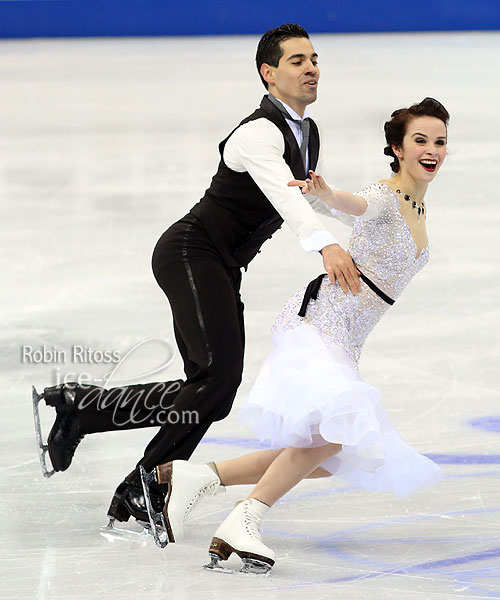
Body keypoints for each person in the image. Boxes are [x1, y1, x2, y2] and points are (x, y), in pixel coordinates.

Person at [32, 23, 360, 528]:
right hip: (191, 253)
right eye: (297, 61)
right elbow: (283, 195)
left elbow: (303, 191)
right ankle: (144, 484)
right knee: (216, 379)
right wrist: (326, 244)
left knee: (214, 389)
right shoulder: (257, 132)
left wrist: (347, 209)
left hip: (221, 265)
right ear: (268, 73)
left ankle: (86, 408)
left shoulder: (306, 133)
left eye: (315, 59)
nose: (312, 68)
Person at [143, 97, 449, 574]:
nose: (431, 150)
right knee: (331, 436)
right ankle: (244, 520)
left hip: (348, 334)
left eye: (439, 141)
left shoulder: (416, 205)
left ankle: (194, 477)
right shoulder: (386, 197)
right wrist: (327, 194)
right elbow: (355, 204)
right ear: (398, 148)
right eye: (420, 141)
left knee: (332, 454)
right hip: (321, 319)